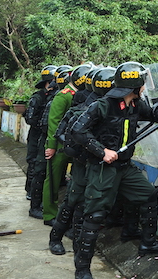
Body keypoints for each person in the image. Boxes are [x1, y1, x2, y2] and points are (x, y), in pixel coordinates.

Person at [71, 61, 158, 279]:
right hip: (103, 170)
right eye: (142, 84)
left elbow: (152, 114)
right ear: (134, 86)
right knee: (95, 216)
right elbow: (77, 130)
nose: (144, 88)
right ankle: (82, 268)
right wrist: (102, 151)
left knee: (148, 194)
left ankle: (147, 243)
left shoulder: (135, 104)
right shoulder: (102, 105)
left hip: (125, 167)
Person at [48, 66, 116, 256]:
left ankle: (77, 244)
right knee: (72, 200)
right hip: (82, 163)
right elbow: (62, 133)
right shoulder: (83, 106)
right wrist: (82, 151)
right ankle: (55, 238)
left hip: (98, 164)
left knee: (85, 205)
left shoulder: (109, 107)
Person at [43, 63, 91, 226]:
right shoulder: (63, 96)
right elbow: (54, 123)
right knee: (53, 180)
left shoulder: (81, 95)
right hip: (59, 146)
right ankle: (49, 214)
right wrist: (51, 146)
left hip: (74, 146)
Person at [28, 65, 71, 220]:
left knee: (45, 173)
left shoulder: (56, 95)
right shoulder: (50, 97)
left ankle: (41, 204)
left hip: (48, 139)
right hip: (43, 139)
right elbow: (44, 123)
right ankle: (35, 206)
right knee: (39, 171)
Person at [25, 65, 55, 201]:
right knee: (33, 162)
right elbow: (29, 118)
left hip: (45, 135)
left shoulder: (53, 96)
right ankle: (30, 191)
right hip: (36, 135)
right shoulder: (38, 97)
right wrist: (42, 124)